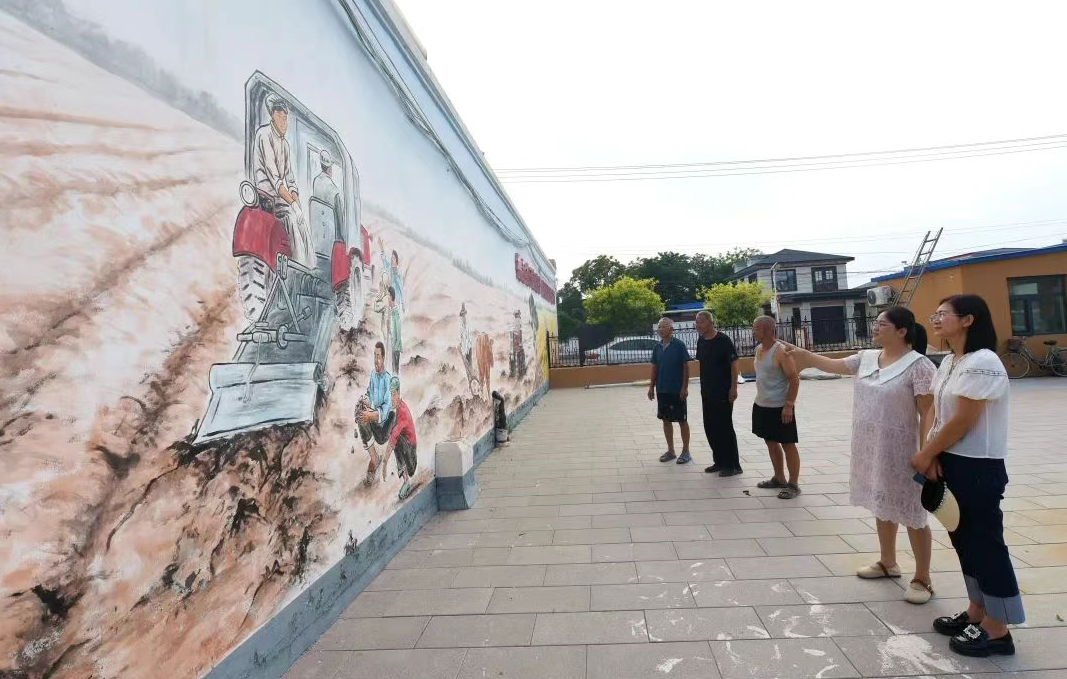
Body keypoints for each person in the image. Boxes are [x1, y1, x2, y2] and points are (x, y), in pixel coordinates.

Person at [783, 307, 937, 604]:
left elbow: (927, 412)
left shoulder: (919, 366)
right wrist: (803, 355)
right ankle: (888, 562)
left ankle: (923, 578)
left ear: (902, 331)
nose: (875, 327)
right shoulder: (867, 357)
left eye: (882, 324)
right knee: (882, 502)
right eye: (875, 323)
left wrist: (926, 453)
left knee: (913, 513)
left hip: (904, 452)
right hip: (872, 449)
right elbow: (835, 365)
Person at [911, 294, 1021, 658]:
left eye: (943, 314)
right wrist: (932, 453)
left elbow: (963, 420)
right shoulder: (949, 361)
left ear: (968, 319)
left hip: (978, 466)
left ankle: (998, 628)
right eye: (935, 313)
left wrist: (926, 453)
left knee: (985, 544)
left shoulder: (983, 361)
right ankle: (977, 610)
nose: (936, 319)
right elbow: (936, 413)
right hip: (951, 461)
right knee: (964, 542)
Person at [253, 94, 311, 265]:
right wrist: (292, 205)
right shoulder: (264, 134)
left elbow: (289, 178)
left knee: (302, 225)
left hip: (280, 198)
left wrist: (297, 204)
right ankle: (298, 265)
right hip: (266, 195)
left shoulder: (285, 145)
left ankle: (308, 266)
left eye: (285, 118)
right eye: (281, 117)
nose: (284, 122)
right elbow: (275, 178)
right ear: (273, 115)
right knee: (292, 221)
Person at [751, 316, 802, 499]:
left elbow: (794, 379)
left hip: (780, 406)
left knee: (788, 444)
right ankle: (779, 477)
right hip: (762, 404)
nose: (753, 331)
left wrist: (789, 406)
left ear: (767, 330)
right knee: (770, 442)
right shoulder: (758, 349)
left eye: (756, 328)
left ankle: (793, 484)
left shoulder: (781, 351)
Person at [694, 311, 742, 477]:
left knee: (724, 427)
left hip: (723, 391)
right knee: (710, 427)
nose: (697, 325)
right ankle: (719, 461)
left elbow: (734, 364)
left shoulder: (723, 340)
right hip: (707, 391)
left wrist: (733, 388)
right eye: (696, 322)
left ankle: (732, 465)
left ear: (710, 322)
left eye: (700, 321)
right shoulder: (701, 340)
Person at [648, 317, 692, 464]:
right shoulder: (657, 347)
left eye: (664, 326)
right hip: (662, 389)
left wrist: (684, 387)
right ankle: (671, 450)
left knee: (682, 420)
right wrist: (651, 387)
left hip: (677, 390)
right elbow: (654, 368)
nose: (660, 329)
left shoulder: (679, 345)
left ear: (671, 329)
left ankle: (686, 452)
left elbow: (686, 368)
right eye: (659, 327)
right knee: (666, 420)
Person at [356, 342, 394, 484]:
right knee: (361, 417)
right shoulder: (372, 375)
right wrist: (364, 401)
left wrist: (371, 415)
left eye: (378, 356)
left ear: (383, 358)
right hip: (374, 418)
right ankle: (374, 458)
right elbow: (369, 394)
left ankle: (378, 460)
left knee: (367, 417)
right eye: (374, 356)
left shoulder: (388, 379)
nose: (376, 359)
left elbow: (386, 409)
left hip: (384, 427)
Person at [385, 377, 417, 501]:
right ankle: (405, 476)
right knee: (392, 428)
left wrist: (384, 463)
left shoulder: (402, 410)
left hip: (411, 457)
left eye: (394, 394)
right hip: (408, 450)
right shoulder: (399, 407)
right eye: (390, 394)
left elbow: (394, 437)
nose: (391, 398)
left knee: (396, 439)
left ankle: (406, 481)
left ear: (398, 393)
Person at [312, 148, 344, 239]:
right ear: (330, 168)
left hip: (317, 232)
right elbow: (339, 219)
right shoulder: (333, 188)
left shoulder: (316, 181)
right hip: (331, 234)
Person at [379, 237, 404, 313]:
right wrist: (382, 248)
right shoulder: (389, 267)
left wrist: (402, 303)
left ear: (396, 261)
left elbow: (401, 288)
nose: (392, 260)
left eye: (394, 258)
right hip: (389, 298)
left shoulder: (398, 273)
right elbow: (384, 260)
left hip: (396, 300)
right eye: (391, 258)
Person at [388, 286, 402, 374]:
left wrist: (396, 347)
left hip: (396, 347)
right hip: (393, 346)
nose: (387, 299)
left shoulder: (395, 312)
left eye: (388, 296)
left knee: (395, 370)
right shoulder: (392, 311)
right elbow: (393, 330)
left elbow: (398, 332)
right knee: (393, 369)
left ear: (391, 297)